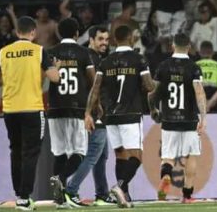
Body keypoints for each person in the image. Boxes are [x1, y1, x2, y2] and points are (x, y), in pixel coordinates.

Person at [0, 16, 60, 211]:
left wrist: (13, 76)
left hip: (10, 110)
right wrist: (57, 68)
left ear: (16, 31)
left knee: (16, 151)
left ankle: (19, 194)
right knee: (30, 153)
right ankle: (24, 197)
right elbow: (54, 78)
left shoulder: (4, 52)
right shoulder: (38, 51)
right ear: (33, 32)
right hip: (32, 108)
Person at [84, 25, 155, 208]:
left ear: (115, 40)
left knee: (120, 155)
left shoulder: (106, 61)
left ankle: (125, 196)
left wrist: (87, 113)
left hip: (110, 115)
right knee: (137, 157)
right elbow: (149, 86)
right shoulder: (138, 59)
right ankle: (120, 187)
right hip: (130, 113)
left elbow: (95, 88)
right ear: (131, 38)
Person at [149, 33, 207, 203]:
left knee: (167, 156)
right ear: (189, 46)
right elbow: (199, 92)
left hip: (169, 118)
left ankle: (166, 175)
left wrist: (153, 110)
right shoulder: (194, 67)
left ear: (172, 46)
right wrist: (203, 117)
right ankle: (187, 195)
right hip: (189, 119)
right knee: (191, 155)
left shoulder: (162, 66)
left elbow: (153, 93)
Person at [46, 18, 96, 207]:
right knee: (80, 151)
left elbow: (46, 79)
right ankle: (60, 178)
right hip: (77, 107)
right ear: (76, 33)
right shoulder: (83, 53)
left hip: (56, 107)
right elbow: (93, 81)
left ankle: (59, 198)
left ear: (59, 33)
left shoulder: (51, 52)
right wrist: (94, 106)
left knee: (59, 152)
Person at [65, 26, 115, 206]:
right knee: (94, 153)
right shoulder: (90, 58)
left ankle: (102, 193)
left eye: (107, 39)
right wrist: (90, 112)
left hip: (94, 112)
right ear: (91, 40)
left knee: (102, 155)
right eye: (100, 39)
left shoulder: (95, 58)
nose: (104, 43)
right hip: (94, 113)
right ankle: (71, 190)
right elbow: (91, 88)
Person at [196, 41, 217, 113]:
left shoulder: (193, 66)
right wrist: (210, 104)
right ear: (213, 52)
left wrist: (202, 103)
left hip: (197, 104)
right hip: (215, 104)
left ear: (200, 52)